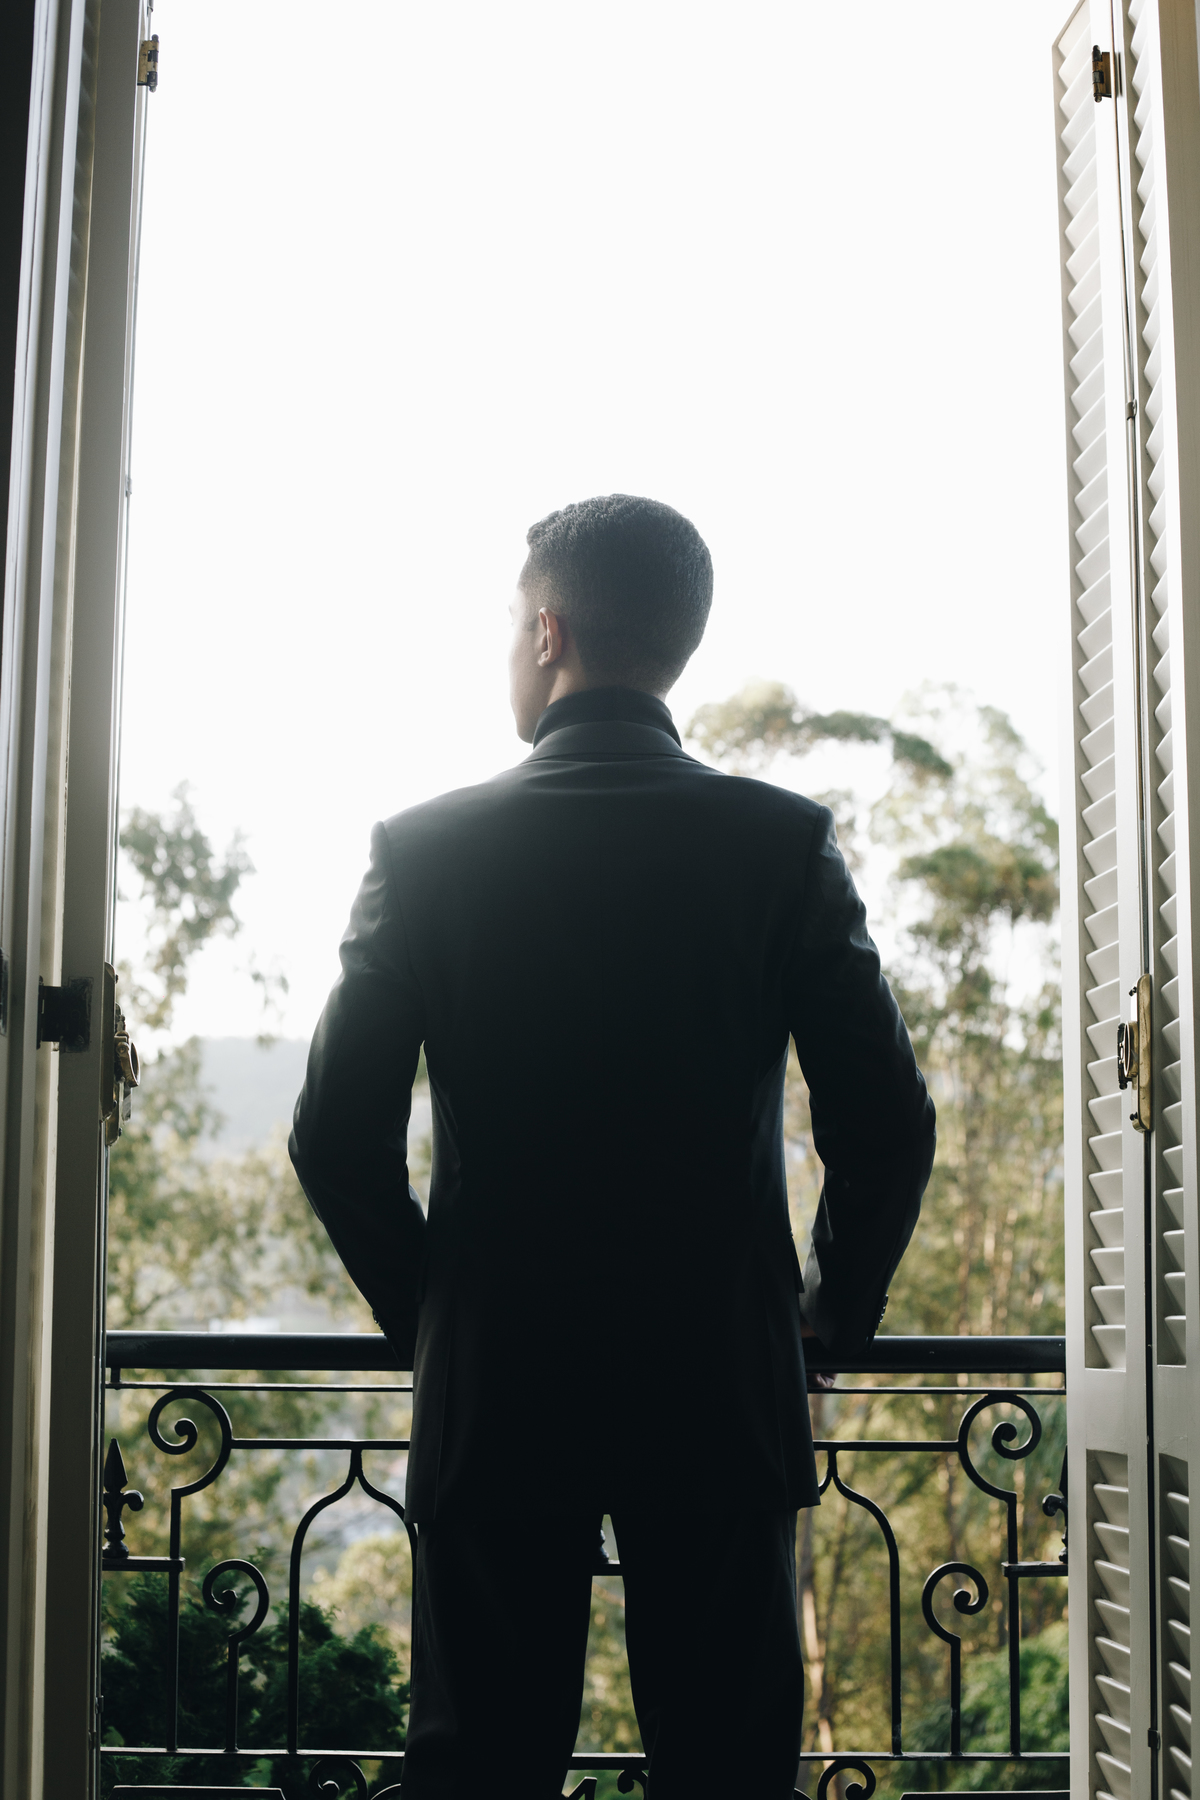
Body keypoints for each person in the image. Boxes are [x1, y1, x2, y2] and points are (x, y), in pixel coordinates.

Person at [289, 494, 936, 1800]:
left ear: (548, 633)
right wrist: (827, 1310)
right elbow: (886, 1124)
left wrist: (442, 1317)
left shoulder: (423, 851)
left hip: (499, 1394)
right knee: (728, 1770)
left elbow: (337, 1139)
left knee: (481, 1773)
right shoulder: (782, 844)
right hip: (719, 1390)